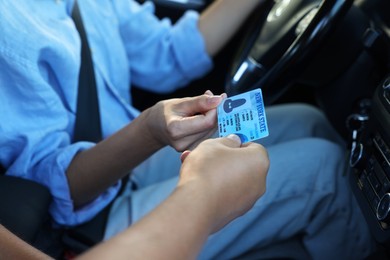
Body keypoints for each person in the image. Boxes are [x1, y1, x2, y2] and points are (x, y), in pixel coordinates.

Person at [0, 0, 376, 259]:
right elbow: (56, 190)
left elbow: (165, 53)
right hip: (83, 218)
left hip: (123, 160)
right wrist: (150, 130)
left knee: (308, 121)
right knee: (325, 172)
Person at [0, 135, 269, 259]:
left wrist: (151, 126)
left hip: (115, 175)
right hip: (78, 227)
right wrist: (206, 192)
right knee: (312, 168)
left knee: (307, 119)